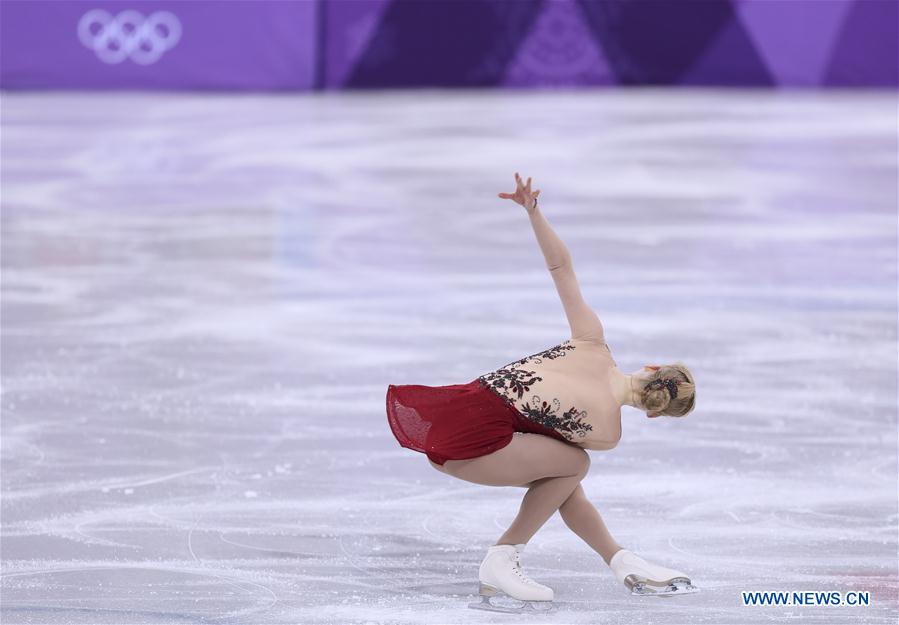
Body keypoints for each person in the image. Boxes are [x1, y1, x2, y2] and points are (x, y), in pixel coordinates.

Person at [386, 173, 698, 613]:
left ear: (651, 367)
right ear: (655, 413)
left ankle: (620, 560)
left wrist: (533, 211)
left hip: (452, 416)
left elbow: (560, 268)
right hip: (476, 446)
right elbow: (563, 476)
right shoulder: (607, 432)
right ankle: (505, 554)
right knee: (575, 465)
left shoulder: (591, 339)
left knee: (567, 477)